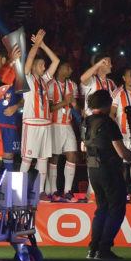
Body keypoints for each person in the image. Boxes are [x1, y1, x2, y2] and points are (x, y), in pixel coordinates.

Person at [84, 88, 131, 260]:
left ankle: (93, 248)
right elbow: (122, 153)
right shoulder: (108, 123)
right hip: (108, 169)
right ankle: (104, 248)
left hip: (92, 168)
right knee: (116, 208)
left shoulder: (86, 122)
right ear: (106, 104)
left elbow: (83, 146)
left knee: (101, 208)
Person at [19, 29, 59, 199]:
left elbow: (56, 61)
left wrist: (43, 45)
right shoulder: (28, 79)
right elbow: (29, 60)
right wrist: (36, 46)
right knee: (27, 160)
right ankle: (19, 192)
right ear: (34, 67)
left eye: (44, 65)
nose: (44, 67)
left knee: (43, 160)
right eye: (41, 65)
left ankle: (39, 191)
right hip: (31, 123)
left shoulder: (44, 81)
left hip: (45, 124)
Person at [48, 60, 80, 200]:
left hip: (67, 124)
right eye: (68, 67)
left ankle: (68, 191)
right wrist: (64, 102)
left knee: (72, 155)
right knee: (54, 157)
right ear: (59, 69)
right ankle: (53, 191)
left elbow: (76, 107)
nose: (71, 70)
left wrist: (74, 105)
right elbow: (49, 108)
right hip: (54, 124)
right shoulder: (50, 84)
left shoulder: (72, 85)